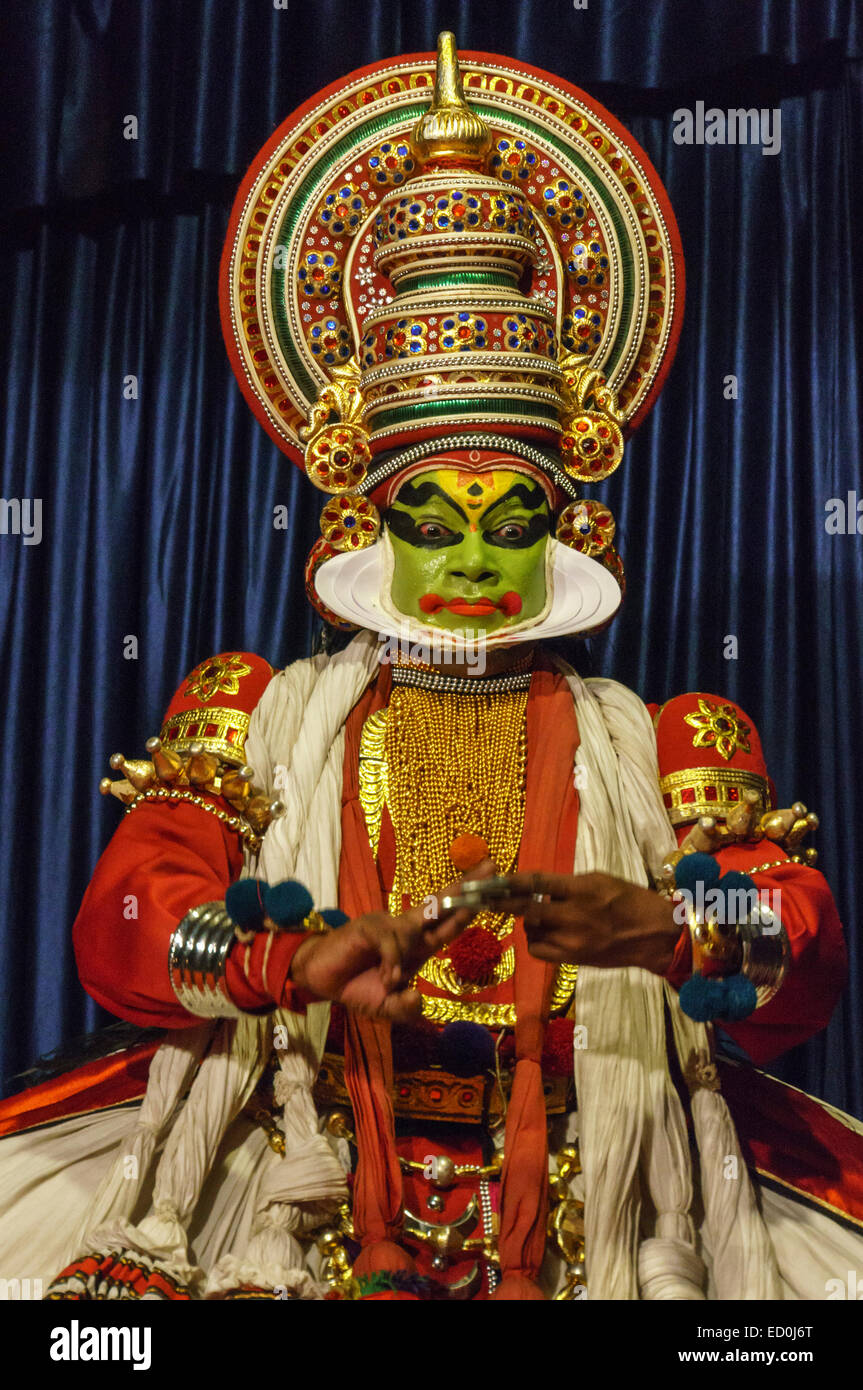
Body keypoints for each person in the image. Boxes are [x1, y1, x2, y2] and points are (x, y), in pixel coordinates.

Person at [1, 32, 861, 1303]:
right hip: (287, 1175)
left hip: (605, 1194)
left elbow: (807, 950)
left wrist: (667, 931)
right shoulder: (256, 708)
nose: (469, 556)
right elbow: (120, 924)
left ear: (565, 532)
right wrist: (282, 963)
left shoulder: (667, 735)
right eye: (432, 520)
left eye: (508, 519)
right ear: (368, 529)